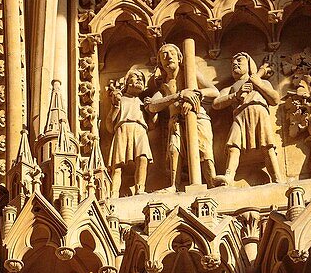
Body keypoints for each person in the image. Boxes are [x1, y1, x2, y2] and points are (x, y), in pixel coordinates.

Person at [145, 42, 220, 189]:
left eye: (171, 53)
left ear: (180, 57)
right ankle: (174, 185)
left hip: (198, 118)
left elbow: (214, 91)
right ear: (160, 62)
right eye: (163, 55)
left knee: (203, 149)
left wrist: (196, 95)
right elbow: (153, 106)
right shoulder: (165, 85)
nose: (168, 57)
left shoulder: (190, 74)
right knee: (174, 150)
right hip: (176, 122)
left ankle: (211, 181)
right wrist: (179, 95)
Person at [213, 52, 281, 184]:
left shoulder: (262, 81)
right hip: (240, 116)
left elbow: (275, 99)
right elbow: (216, 103)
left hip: (259, 112)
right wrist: (235, 95)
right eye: (232, 63)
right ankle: (229, 176)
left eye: (239, 61)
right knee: (233, 145)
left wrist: (258, 84)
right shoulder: (232, 87)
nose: (235, 64)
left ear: (250, 64)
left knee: (268, 145)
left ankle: (276, 178)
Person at [107, 67, 152, 196]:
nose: (140, 80)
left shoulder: (142, 103)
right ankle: (114, 192)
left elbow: (152, 125)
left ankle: (140, 189)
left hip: (140, 130)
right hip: (123, 129)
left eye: (142, 79)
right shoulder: (120, 100)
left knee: (143, 158)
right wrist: (115, 105)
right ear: (126, 82)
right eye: (136, 76)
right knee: (118, 164)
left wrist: (152, 112)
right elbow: (110, 125)